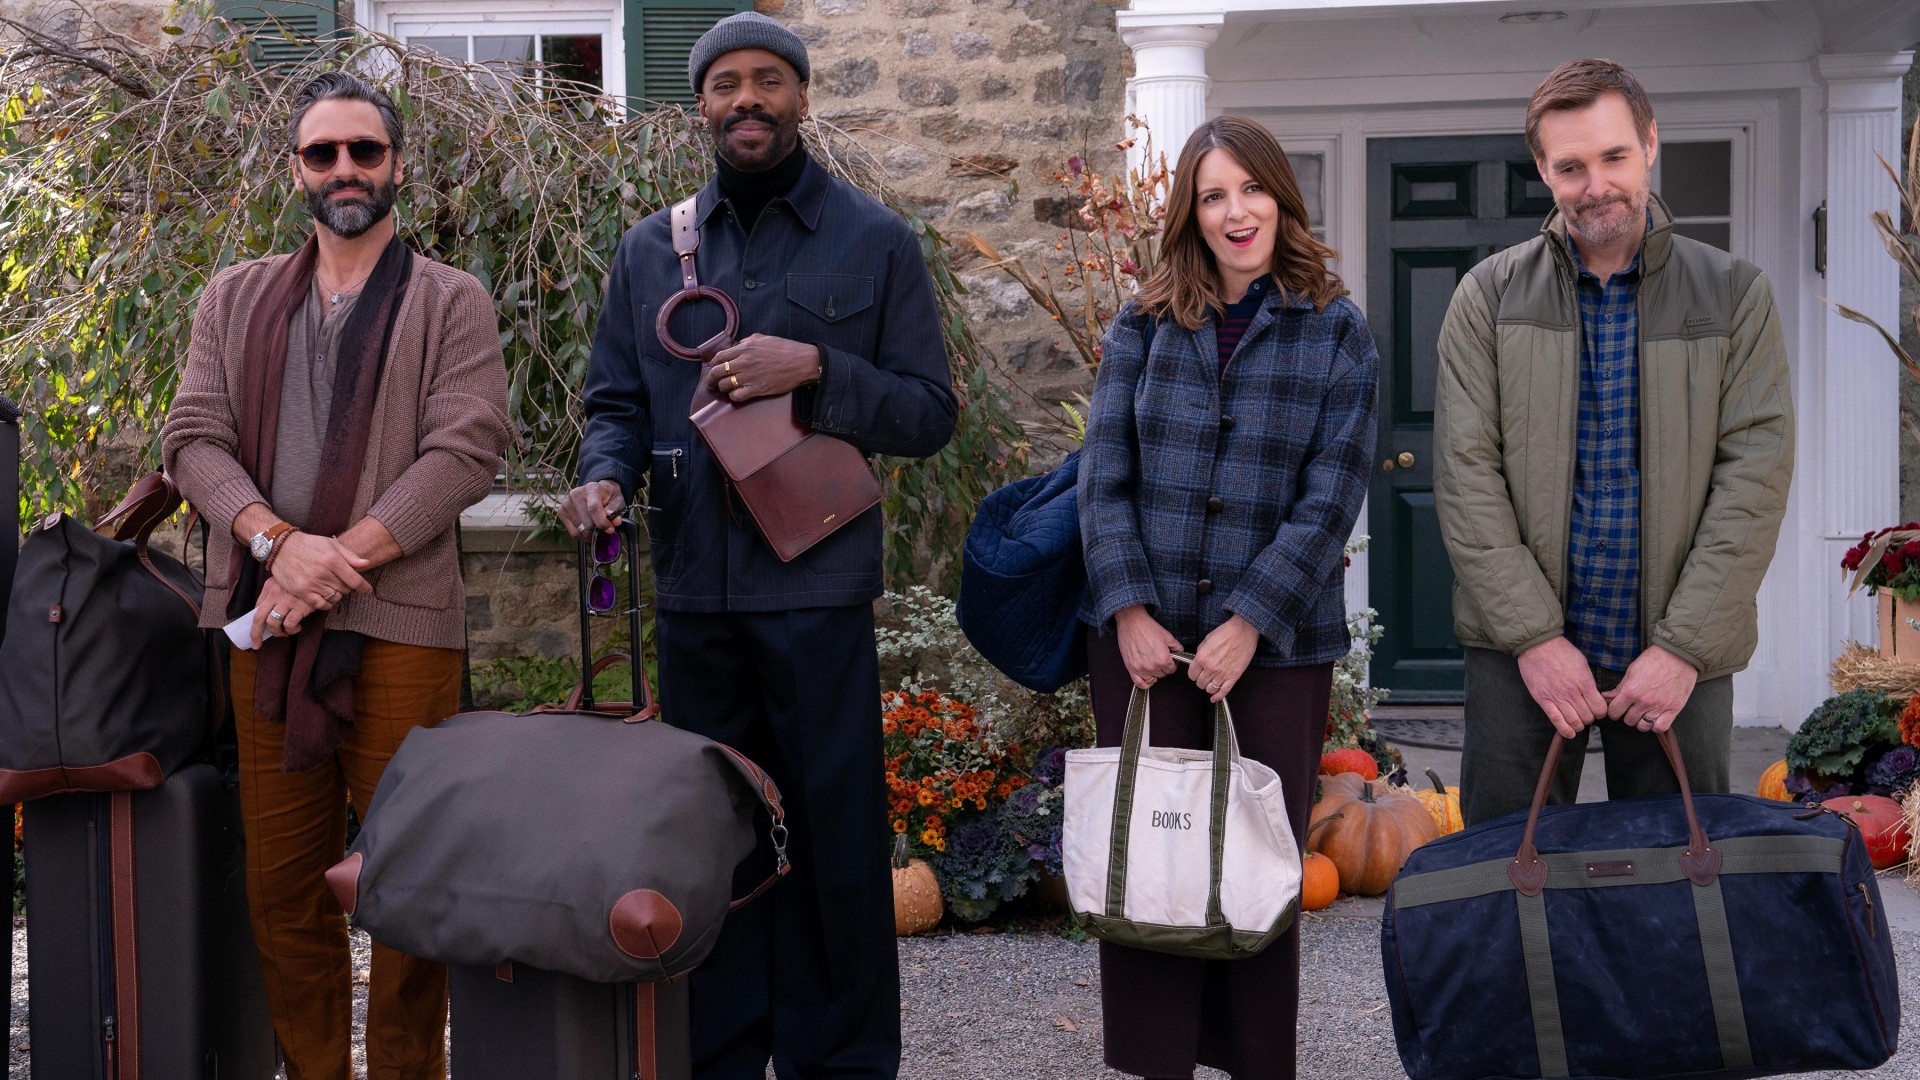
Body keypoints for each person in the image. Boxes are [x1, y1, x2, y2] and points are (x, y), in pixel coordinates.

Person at [556, 12, 957, 1078]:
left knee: (834, 840)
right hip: (695, 591)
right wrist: (603, 476)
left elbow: (928, 413)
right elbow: (614, 404)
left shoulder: (876, 240)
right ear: (699, 105)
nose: (747, 99)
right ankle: (720, 1057)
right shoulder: (651, 250)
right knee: (711, 841)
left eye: (768, 80)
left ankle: (844, 1061)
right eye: (726, 82)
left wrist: (816, 368)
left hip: (818, 590)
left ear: (801, 97)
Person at [161, 71, 512, 1080]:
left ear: (398, 164)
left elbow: (465, 451)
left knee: (408, 880)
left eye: (365, 149)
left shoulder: (450, 299)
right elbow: (191, 440)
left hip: (400, 627)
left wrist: (332, 562)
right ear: (296, 171)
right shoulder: (233, 298)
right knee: (281, 889)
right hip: (267, 628)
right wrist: (278, 544)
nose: (345, 168)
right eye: (324, 152)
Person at [1077, 115, 1379, 1080]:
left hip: (1278, 647)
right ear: (1191, 214)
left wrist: (1249, 621)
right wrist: (1128, 609)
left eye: (1252, 189)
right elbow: (1102, 476)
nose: (1236, 211)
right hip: (1145, 644)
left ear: (1282, 199)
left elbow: (1331, 496)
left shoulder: (1336, 330)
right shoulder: (1143, 323)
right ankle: (1154, 1060)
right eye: (1213, 195)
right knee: (1152, 853)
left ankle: (1254, 1060)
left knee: (1255, 860)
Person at [1433, 58, 1794, 826]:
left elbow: (1753, 481)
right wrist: (1534, 638)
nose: (1596, 184)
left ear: (1650, 143)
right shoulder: (1488, 297)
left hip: (1677, 650)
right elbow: (1467, 477)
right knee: (1504, 865)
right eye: (1571, 166)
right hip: (1519, 653)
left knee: (1677, 869)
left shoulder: (1735, 295)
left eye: (1614, 157)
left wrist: (1684, 647)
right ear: (1543, 170)